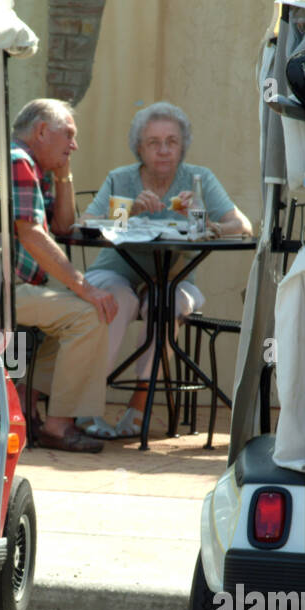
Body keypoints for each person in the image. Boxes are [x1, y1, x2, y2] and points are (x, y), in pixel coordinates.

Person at [0, 98, 118, 453]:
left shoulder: (29, 165)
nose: (75, 145)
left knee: (74, 317)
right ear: (41, 131)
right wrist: (84, 288)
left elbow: (64, 225)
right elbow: (33, 235)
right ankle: (58, 426)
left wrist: (63, 173)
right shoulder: (18, 163)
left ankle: (26, 406)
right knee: (88, 314)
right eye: (68, 135)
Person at [79, 102, 252, 438]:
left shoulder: (198, 179)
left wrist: (209, 222)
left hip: (176, 278)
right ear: (139, 148)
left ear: (182, 146)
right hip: (117, 271)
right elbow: (84, 224)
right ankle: (86, 408)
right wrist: (126, 209)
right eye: (153, 142)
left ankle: (139, 407)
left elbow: (242, 225)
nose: (163, 150)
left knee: (164, 302)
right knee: (118, 301)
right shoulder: (121, 178)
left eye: (171, 142)